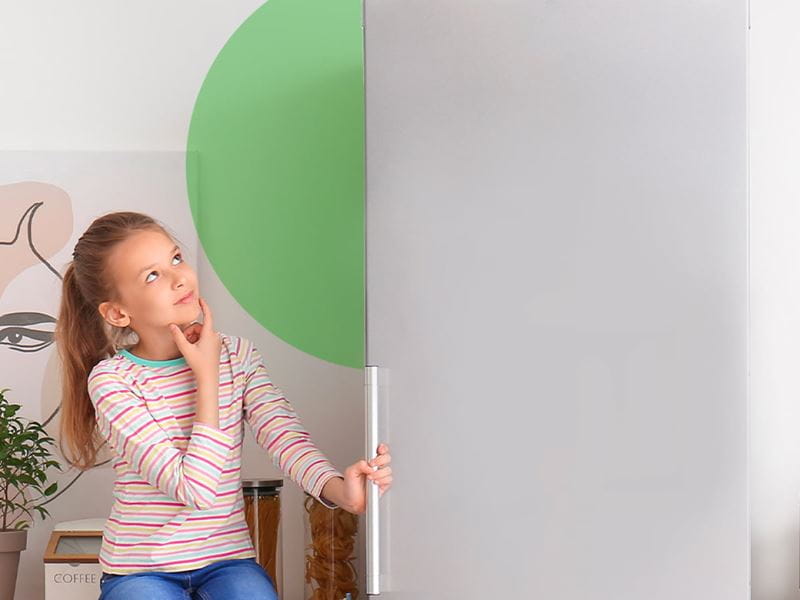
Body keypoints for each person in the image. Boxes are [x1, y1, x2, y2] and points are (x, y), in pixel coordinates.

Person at [54, 211, 392, 600]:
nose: (179, 277)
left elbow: (284, 437)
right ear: (118, 312)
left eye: (176, 258)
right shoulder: (113, 382)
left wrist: (340, 491)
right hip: (141, 569)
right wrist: (207, 377)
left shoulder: (239, 356)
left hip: (226, 559)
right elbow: (195, 489)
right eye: (153, 275)